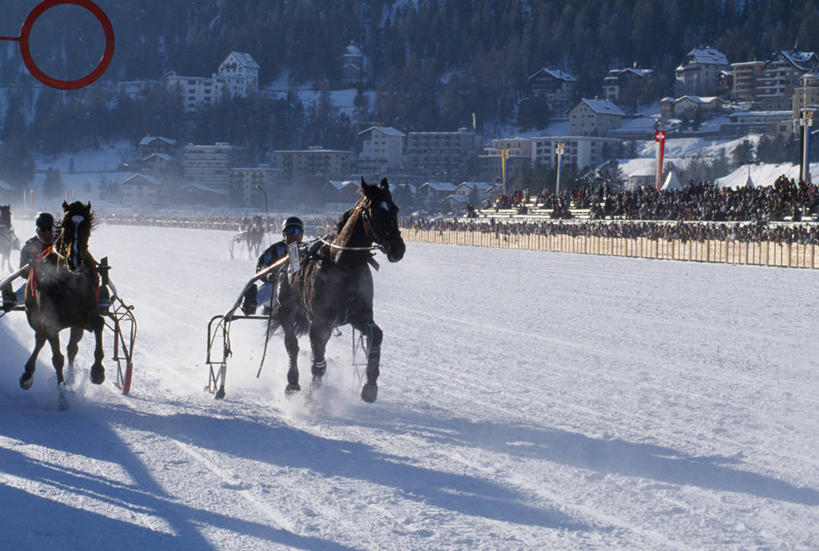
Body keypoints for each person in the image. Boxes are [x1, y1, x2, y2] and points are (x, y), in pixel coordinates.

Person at [240, 216, 304, 316]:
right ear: (284, 234)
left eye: (296, 232)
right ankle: (251, 303)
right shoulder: (275, 250)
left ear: (301, 234)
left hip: (299, 294)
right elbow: (260, 267)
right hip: (275, 294)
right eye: (290, 231)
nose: (293, 235)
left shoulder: (308, 250)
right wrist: (268, 275)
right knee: (273, 287)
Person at [2, 212, 55, 311]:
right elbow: (23, 273)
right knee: (31, 288)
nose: (47, 232)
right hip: (37, 283)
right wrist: (33, 267)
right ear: (37, 230)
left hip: (60, 283)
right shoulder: (28, 247)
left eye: (50, 229)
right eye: (43, 229)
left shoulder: (60, 243)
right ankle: (11, 298)